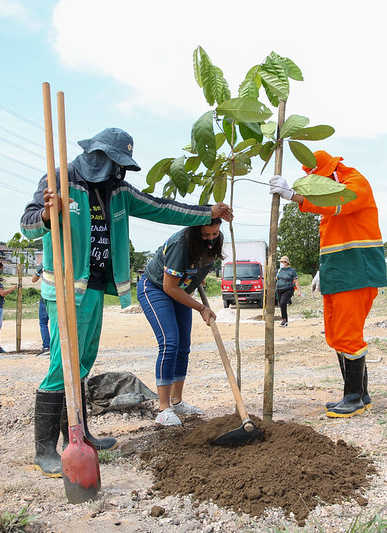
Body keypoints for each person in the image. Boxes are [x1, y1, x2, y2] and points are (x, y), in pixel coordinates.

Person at [20, 127, 233, 477]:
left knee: (83, 363)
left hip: (95, 288)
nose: (119, 172)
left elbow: (162, 208)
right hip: (63, 287)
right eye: (115, 163)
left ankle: (80, 434)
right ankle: (45, 449)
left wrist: (207, 212)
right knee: (63, 366)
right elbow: (27, 224)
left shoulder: (118, 190)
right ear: (97, 155)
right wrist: (46, 215)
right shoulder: (60, 178)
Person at [270, 150, 386, 418]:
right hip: (338, 270)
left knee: (348, 335)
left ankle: (354, 398)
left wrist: (296, 196)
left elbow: (338, 202)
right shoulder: (334, 194)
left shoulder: (355, 182)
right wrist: (324, 268)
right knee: (335, 336)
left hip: (357, 270)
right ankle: (359, 394)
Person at [137, 220, 223, 426]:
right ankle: (163, 408)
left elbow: (197, 269)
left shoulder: (214, 241)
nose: (211, 239)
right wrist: (201, 308)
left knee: (183, 347)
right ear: (195, 230)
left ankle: (176, 402)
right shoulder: (180, 244)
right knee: (170, 342)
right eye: (206, 235)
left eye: (215, 233)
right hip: (157, 289)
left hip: (181, 290)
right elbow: (169, 287)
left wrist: (196, 277)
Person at [276, 256, 302, 327]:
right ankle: (285, 320)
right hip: (279, 289)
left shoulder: (291, 271)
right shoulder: (279, 270)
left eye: (282, 262)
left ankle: (284, 320)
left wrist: (299, 291)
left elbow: (296, 281)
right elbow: (277, 278)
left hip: (288, 289)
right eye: (281, 262)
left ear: (286, 262)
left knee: (283, 303)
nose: (281, 263)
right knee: (281, 305)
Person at [31, 265, 51, 356]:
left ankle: (46, 347)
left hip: (45, 296)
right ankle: (59, 346)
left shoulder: (44, 263)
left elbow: (34, 279)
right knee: (58, 323)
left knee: (43, 323)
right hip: (59, 297)